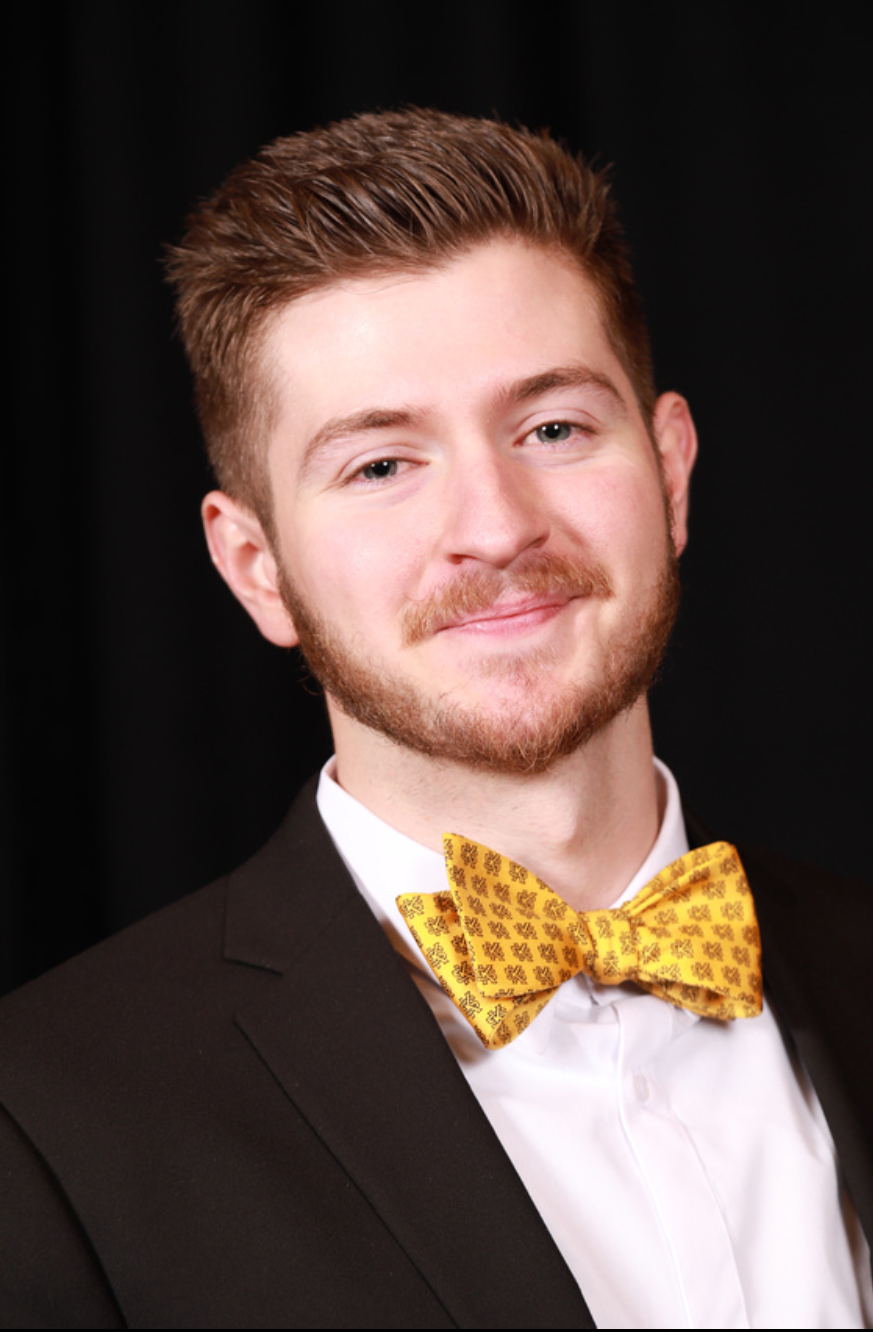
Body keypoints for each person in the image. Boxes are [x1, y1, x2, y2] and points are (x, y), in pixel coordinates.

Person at [1, 108, 871, 1329]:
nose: (498, 527)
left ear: (671, 471)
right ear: (256, 568)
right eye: (381, 465)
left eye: (553, 429)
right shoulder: (43, 1119)